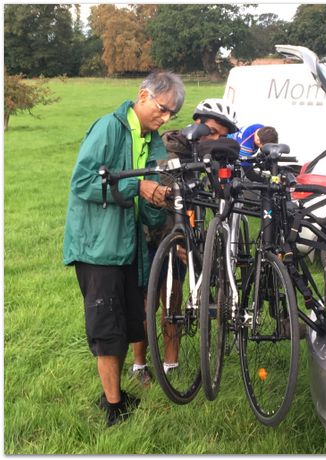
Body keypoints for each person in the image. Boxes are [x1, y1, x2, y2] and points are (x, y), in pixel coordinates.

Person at [63, 71, 185, 426]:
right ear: (143, 96)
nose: (164, 119)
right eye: (162, 110)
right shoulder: (108, 128)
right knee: (107, 328)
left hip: (129, 246)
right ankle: (114, 408)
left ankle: (115, 395)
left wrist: (158, 198)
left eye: (171, 115)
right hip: (97, 248)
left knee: (128, 321)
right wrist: (139, 188)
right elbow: (82, 182)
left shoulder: (154, 142)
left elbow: (148, 206)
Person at [128, 98, 239, 386]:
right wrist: (177, 238)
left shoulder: (213, 155)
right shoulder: (168, 148)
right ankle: (139, 365)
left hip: (184, 238)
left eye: (223, 136)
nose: (216, 140)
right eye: (212, 131)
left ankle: (170, 364)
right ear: (197, 123)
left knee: (174, 300)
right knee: (148, 302)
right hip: (153, 236)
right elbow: (157, 201)